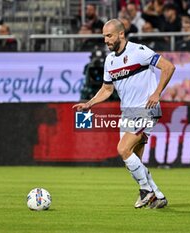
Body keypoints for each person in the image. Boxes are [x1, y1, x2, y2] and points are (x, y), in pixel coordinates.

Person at [73, 19, 175, 209]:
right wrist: (89, 104)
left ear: (121, 34)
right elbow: (106, 89)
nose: (105, 40)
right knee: (133, 160)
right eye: (104, 36)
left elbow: (168, 67)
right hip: (127, 113)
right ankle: (158, 196)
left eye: (109, 35)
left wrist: (157, 93)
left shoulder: (139, 52)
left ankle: (146, 190)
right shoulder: (110, 61)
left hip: (146, 109)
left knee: (123, 149)